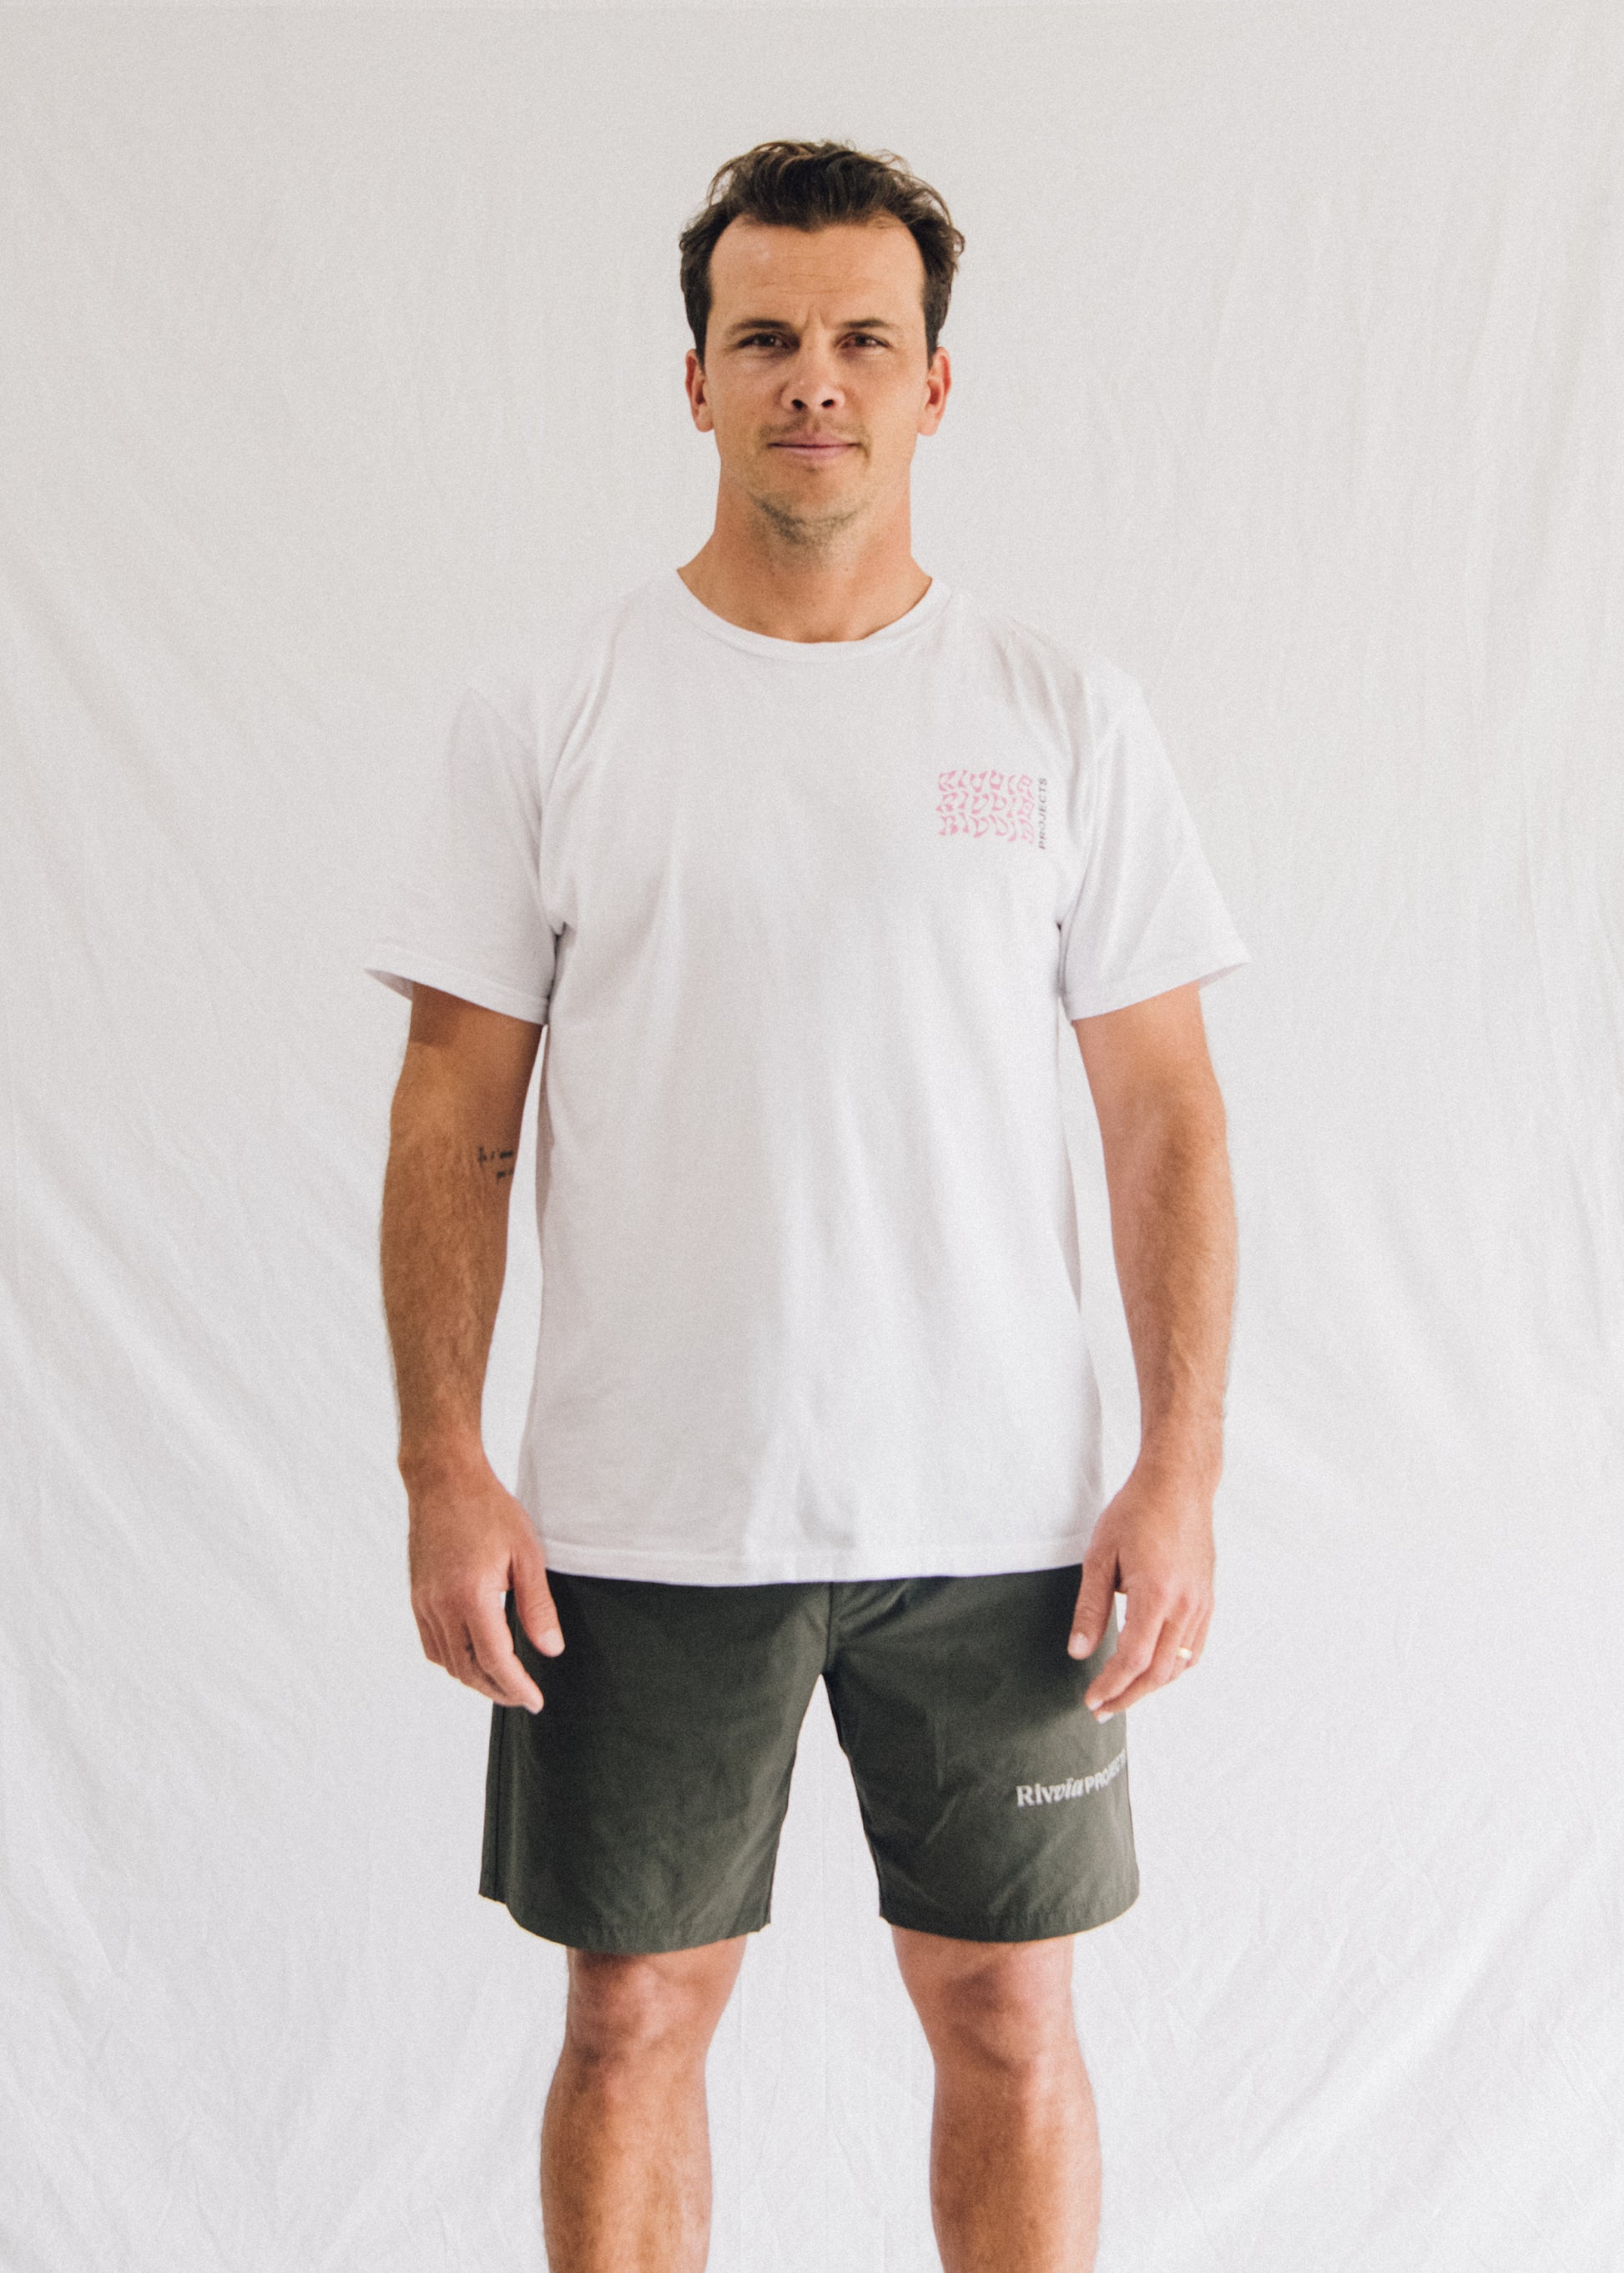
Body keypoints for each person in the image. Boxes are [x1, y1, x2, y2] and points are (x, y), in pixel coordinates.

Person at [367, 137, 1250, 2273]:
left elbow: (1163, 1117)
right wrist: (442, 1466)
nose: (814, 379)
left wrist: (1181, 1466)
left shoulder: (1057, 717)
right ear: (696, 380)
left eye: (864, 338)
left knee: (1013, 2022)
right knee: (630, 2021)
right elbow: (453, 1112)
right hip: (648, 1517)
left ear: (936, 383)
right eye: (764, 338)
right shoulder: (552, 711)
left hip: (1004, 1523)